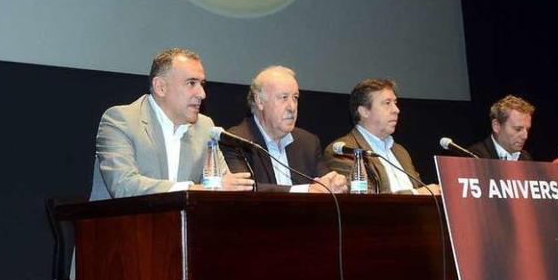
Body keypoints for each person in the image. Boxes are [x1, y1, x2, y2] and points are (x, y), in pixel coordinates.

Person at [89, 48, 254, 200]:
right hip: (119, 227)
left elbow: (222, 184)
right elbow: (124, 186)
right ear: (160, 87)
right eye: (191, 83)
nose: (202, 94)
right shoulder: (121, 121)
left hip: (179, 228)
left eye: (202, 84)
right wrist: (194, 189)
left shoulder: (205, 127)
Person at [220, 66, 348, 193]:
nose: (292, 107)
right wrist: (306, 190)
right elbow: (245, 189)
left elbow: (324, 184)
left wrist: (334, 184)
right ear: (259, 101)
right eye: (284, 97)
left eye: (295, 98)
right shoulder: (235, 141)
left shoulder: (308, 143)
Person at [324, 78, 439, 195]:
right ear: (364, 112)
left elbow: (422, 188)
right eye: (387, 103)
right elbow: (366, 199)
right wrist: (417, 194)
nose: (396, 110)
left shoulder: (400, 151)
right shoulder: (344, 150)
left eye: (395, 103)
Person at [469, 94, 535, 161]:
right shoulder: (475, 156)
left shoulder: (526, 158)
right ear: (496, 126)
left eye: (527, 130)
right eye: (518, 129)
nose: (525, 136)